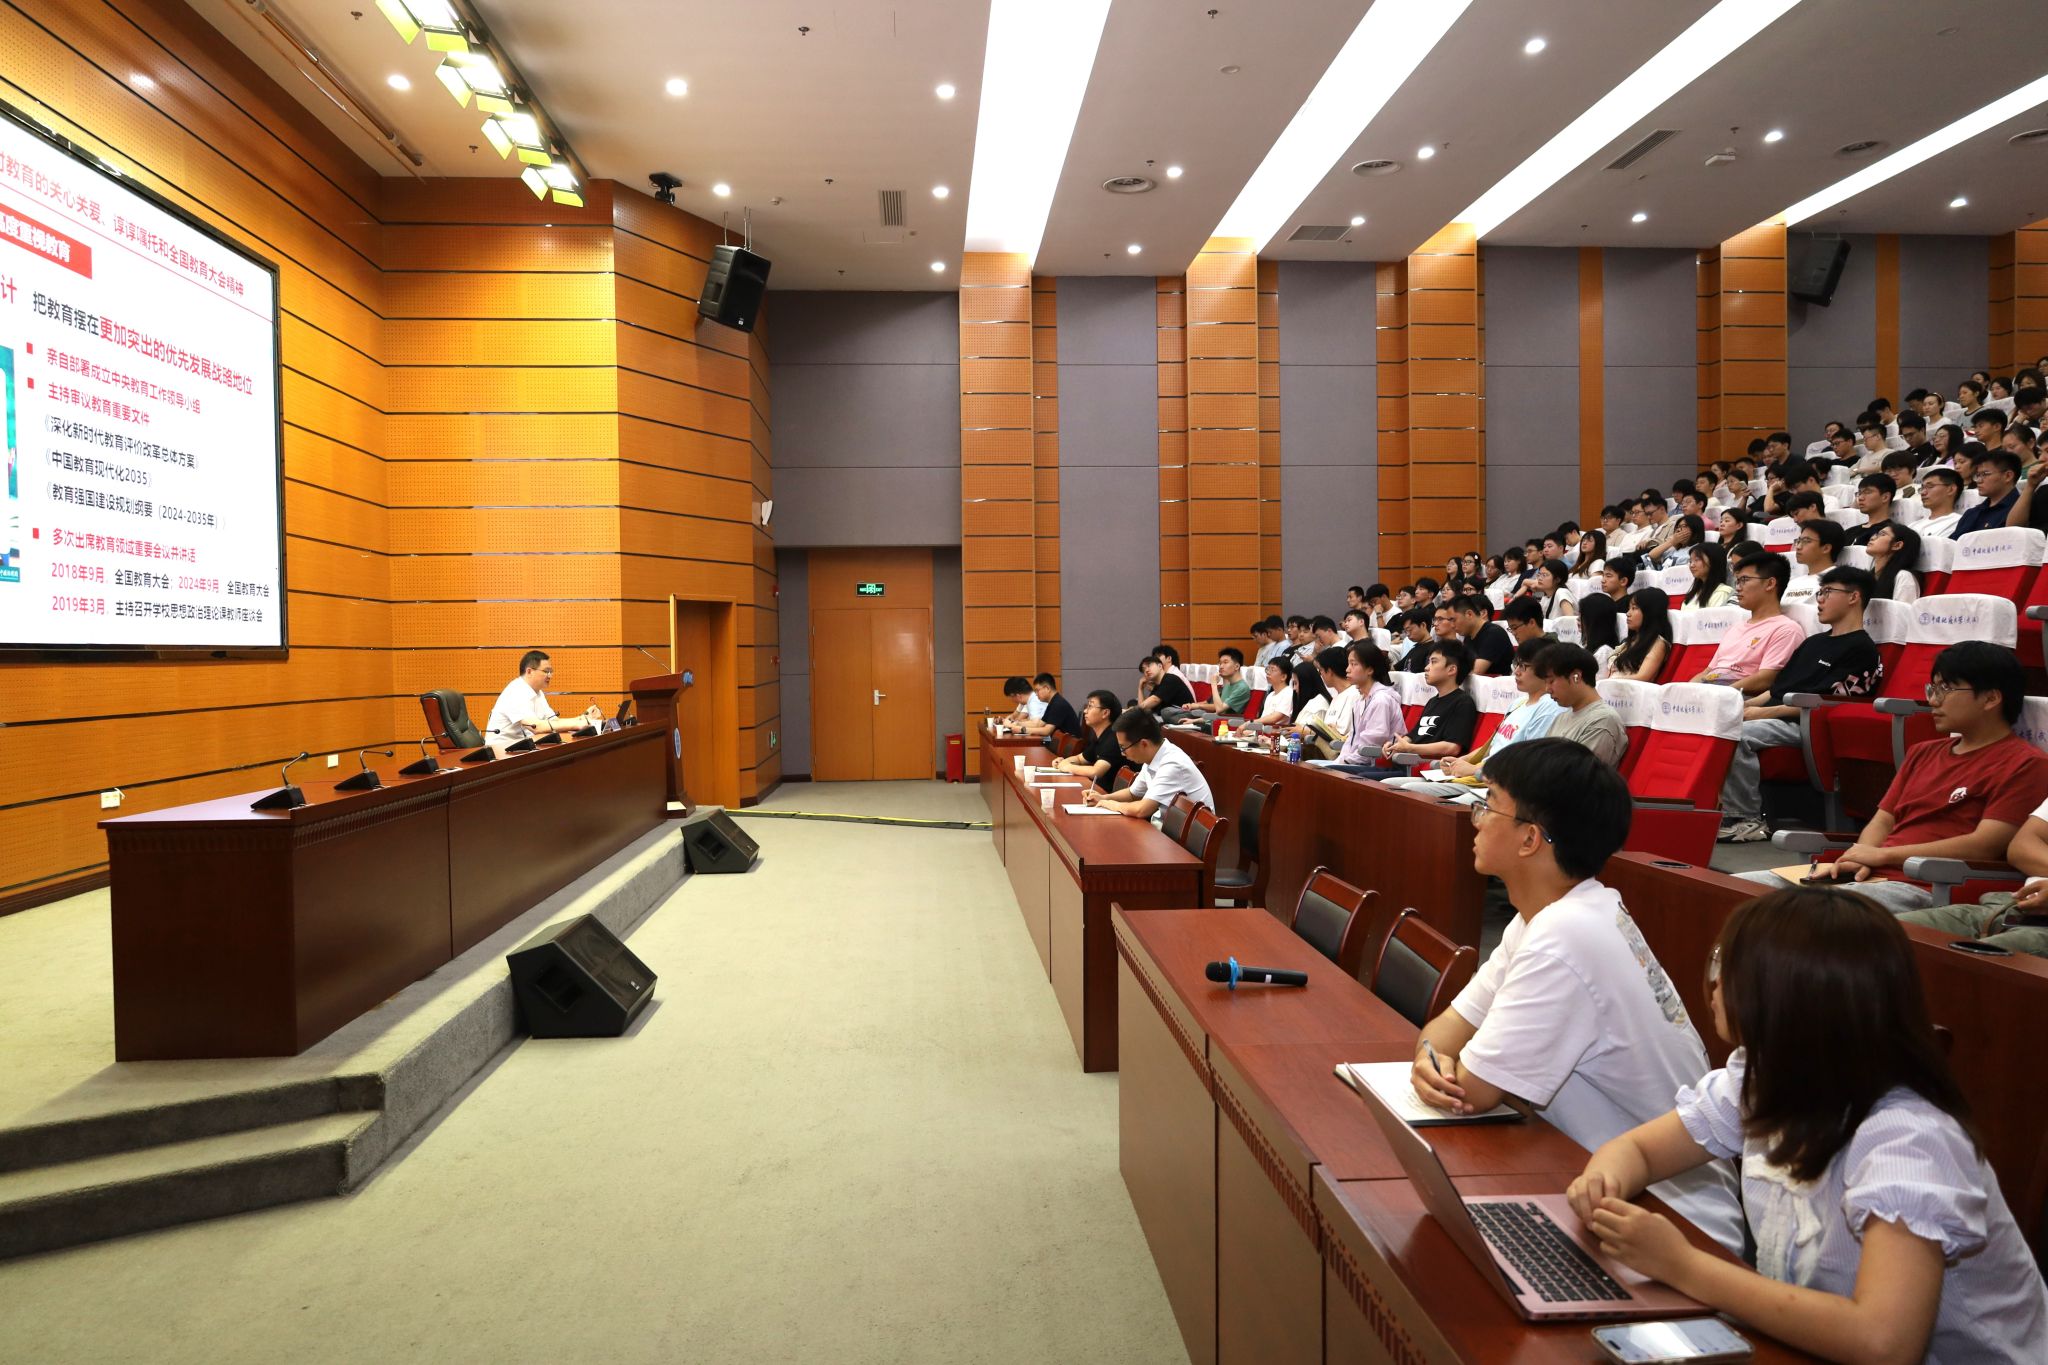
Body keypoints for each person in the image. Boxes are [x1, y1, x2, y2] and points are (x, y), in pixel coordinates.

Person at [1567, 889, 2048, 1362]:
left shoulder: (1907, 1140)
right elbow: (1640, 1151)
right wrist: (1602, 1185)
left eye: (1726, 968)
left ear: (1786, 998)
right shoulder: (1765, 1077)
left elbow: (1884, 1342)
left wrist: (1684, 1265)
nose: (1713, 985)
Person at [1409, 740, 1744, 1253]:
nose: (1476, 820)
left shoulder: (1566, 934)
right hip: (1596, 1183)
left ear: (1530, 839)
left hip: (1670, 1224)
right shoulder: (1553, 916)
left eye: (1488, 804)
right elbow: (1442, 1032)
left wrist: (1440, 1067)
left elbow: (1471, 1093)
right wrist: (1431, 1060)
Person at [1739, 642, 2048, 913]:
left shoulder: (2025, 764)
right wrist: (1859, 858)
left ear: (1991, 698)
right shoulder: (1922, 752)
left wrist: (1881, 855)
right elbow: (1883, 820)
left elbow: (1984, 846)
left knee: (1795, 914)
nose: (1933, 700)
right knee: (1736, 890)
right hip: (1869, 876)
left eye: (1946, 689)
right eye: (1932, 689)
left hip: (1925, 885)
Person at [1716, 567, 1884, 844]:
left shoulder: (1862, 650)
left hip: (1807, 725)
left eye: (1828, 592)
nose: (1820, 599)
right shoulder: (1814, 642)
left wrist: (1760, 713)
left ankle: (1746, 819)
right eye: (1820, 593)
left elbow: (1827, 704)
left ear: (1854, 597)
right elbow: (1776, 690)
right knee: (1717, 719)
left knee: (1738, 734)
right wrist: (1741, 707)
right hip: (1776, 715)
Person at [1381, 638, 1560, 797]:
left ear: (1546, 670)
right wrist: (1460, 762)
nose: (1517, 672)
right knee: (1389, 785)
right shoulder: (1517, 704)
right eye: (1516, 665)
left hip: (1498, 782)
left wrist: (1473, 769)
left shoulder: (1548, 708)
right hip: (1480, 774)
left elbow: (1526, 761)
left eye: (1524, 667)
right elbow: (1489, 748)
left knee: (1406, 791)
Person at [1899, 796, 2048, 957]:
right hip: (2009, 907)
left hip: (2041, 929)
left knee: (1966, 962)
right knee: (1885, 931)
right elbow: (2021, 847)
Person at [1692, 552, 1804, 696]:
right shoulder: (1735, 628)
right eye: (1737, 581)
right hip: (1710, 691)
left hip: (1736, 697)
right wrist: (1686, 691)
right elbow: (1707, 671)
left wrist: (1719, 694)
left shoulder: (1786, 630)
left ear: (1770, 583)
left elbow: (1766, 679)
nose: (1738, 588)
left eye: (1744, 580)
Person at [1085, 707, 1214, 819]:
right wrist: (1103, 798)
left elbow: (1141, 810)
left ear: (1144, 744)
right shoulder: (1153, 755)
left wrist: (1111, 804)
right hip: (1167, 828)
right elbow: (1133, 794)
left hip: (1182, 838)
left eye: (1123, 748)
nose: (1122, 753)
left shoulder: (1172, 764)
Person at [1317, 640, 1406, 774]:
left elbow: (1369, 748)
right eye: (1348, 664)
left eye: (1353, 664)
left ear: (1370, 669)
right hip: (1358, 762)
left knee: (1325, 772)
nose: (1347, 669)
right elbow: (1351, 741)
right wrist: (1340, 761)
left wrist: (1344, 763)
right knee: (1312, 766)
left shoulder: (1381, 700)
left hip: (1380, 765)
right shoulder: (1360, 700)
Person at [1536, 643, 1629, 765]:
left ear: (1576, 676)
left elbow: (1577, 772)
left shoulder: (1603, 721)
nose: (1547, 689)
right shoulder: (1562, 717)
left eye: (1551, 681)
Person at [486, 649, 602, 742]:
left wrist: (584, 717)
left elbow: (554, 721)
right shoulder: (515, 691)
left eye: (551, 671)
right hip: (501, 752)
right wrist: (578, 723)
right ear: (529, 671)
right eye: (546, 671)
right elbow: (536, 727)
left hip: (522, 748)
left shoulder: (538, 692)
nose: (550, 675)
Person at [1050, 689, 1126, 788]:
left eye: (1090, 706)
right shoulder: (1101, 736)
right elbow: (1080, 759)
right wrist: (1064, 762)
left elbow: (1096, 772)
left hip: (1106, 794)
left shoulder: (1113, 738)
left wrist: (1069, 767)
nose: (1085, 711)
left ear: (1105, 713)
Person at [1953, 449, 2020, 537]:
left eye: (1985, 474)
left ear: (2008, 476)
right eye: (1977, 475)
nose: (1979, 481)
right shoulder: (1971, 513)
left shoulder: (2021, 510)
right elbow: (1952, 543)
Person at [1451, 592, 1515, 676]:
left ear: (1469, 614)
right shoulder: (1468, 637)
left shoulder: (1494, 633)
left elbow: (1476, 672)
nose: (1452, 625)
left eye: (1454, 620)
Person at [1185, 648, 1252, 717]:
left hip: (1226, 723)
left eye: (1225, 662)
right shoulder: (1228, 685)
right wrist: (1195, 720)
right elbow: (1218, 713)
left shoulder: (1242, 688)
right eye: (1220, 663)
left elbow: (1219, 709)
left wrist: (1214, 684)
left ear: (1237, 666)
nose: (1221, 666)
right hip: (1214, 721)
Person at [1866, 522, 1921, 604]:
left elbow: (1902, 611)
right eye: (1876, 534)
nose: (1873, 537)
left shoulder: (1904, 577)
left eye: (1882, 534)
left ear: (1897, 545)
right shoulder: (1867, 577)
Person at [1017, 673, 1082, 739]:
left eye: (1037, 690)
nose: (1036, 694)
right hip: (1061, 742)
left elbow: (1047, 731)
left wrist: (1022, 729)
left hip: (1069, 744)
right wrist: (1017, 724)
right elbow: (1040, 724)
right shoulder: (1053, 702)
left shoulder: (1058, 704)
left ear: (1047, 688)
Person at [1577, 591, 1621, 676]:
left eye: (1582, 615)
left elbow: (1599, 682)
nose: (1578, 619)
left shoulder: (1604, 652)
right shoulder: (1588, 647)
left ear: (1595, 619)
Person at [1844, 473, 1895, 546]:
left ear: (1885, 497)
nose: (1860, 498)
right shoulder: (1850, 531)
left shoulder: (1890, 533)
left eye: (1867, 492)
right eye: (1859, 493)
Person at [1681, 540, 1733, 611]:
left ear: (1714, 561)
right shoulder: (1693, 593)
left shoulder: (1722, 592)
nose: (1691, 565)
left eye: (1697, 560)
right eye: (1690, 561)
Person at [1915, 466, 1964, 540]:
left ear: (1951, 489)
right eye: (1922, 488)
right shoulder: (1913, 525)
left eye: (1930, 486)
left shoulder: (1959, 523)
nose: (1923, 492)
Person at [1252, 657, 1295, 725]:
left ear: (1283, 677)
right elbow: (1263, 719)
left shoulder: (1289, 693)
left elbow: (1274, 718)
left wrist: (1251, 723)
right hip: (1263, 729)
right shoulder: (1270, 695)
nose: (1268, 672)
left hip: (1276, 730)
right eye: (1268, 669)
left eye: (1272, 670)